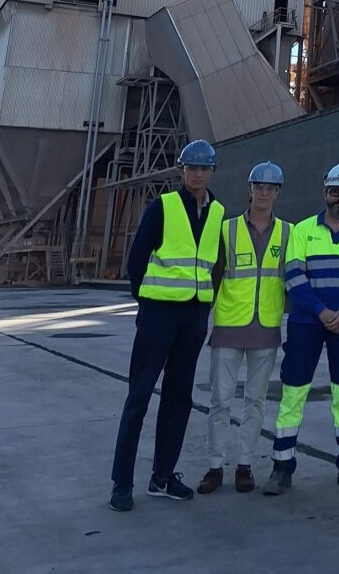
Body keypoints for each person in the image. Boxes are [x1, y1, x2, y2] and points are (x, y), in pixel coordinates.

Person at [110, 140, 225, 511]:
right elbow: (137, 260)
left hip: (193, 318)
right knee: (139, 397)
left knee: (179, 398)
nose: (197, 173)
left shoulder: (219, 212)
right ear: (181, 171)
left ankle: (162, 477)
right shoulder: (163, 207)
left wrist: (204, 305)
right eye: (191, 168)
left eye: (203, 168)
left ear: (211, 172)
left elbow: (216, 265)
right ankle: (121, 484)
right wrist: (148, 303)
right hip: (159, 314)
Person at [263, 162, 339, 495]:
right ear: (324, 193)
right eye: (335, 191)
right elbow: (294, 277)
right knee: (293, 392)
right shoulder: (302, 231)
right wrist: (322, 311)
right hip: (307, 322)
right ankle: (282, 468)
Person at [198, 161, 289, 495]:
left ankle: (245, 465)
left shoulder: (287, 233)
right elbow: (214, 274)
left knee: (256, 401)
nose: (264, 193)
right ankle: (214, 466)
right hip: (228, 325)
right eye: (258, 186)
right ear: (249, 189)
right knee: (221, 400)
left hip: (265, 328)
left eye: (270, 188)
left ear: (277, 193)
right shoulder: (228, 229)